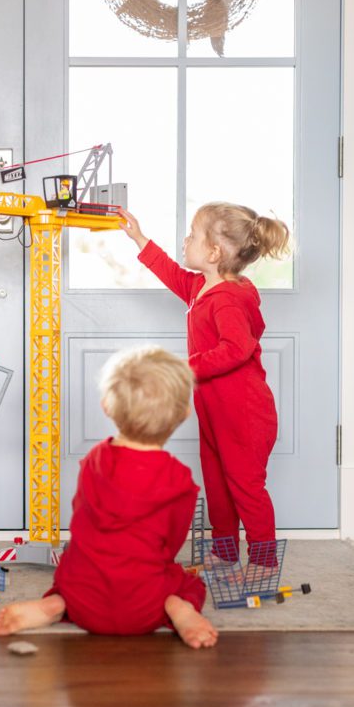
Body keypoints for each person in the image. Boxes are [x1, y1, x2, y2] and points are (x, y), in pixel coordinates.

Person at [0, 345, 218, 649]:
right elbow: (170, 545)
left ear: (106, 406)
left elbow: (80, 519)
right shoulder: (179, 480)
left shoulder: (93, 461)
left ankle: (56, 604)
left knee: (74, 564)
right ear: (185, 413)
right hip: (145, 608)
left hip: (83, 602)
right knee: (187, 581)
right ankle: (179, 610)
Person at [118, 203, 290, 562]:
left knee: (246, 488)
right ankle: (225, 552)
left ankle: (262, 560)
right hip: (214, 411)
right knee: (217, 485)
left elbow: (237, 349)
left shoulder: (227, 299)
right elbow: (170, 273)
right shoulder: (201, 286)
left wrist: (184, 368)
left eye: (193, 235)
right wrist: (139, 238)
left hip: (243, 413)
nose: (186, 240)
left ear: (213, 252)